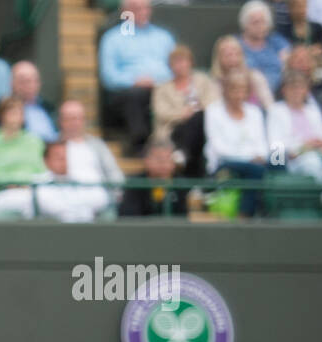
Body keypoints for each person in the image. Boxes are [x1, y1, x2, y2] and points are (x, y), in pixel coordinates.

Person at [98, 0, 175, 153]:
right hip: (128, 92)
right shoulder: (112, 39)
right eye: (136, 8)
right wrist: (134, 81)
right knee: (135, 95)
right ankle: (140, 145)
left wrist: (159, 81)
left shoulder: (164, 37)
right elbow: (108, 76)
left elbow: (176, 67)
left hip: (163, 87)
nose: (142, 12)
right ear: (124, 12)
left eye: (145, 8)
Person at [204, 71, 270, 216]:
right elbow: (219, 148)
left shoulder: (255, 112)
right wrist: (250, 158)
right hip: (224, 163)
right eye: (234, 89)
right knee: (257, 171)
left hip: (254, 162)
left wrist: (259, 156)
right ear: (225, 90)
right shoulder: (213, 111)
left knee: (279, 163)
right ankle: (246, 215)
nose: (239, 94)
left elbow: (262, 144)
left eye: (243, 89)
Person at [152, 45, 218, 178]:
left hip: (202, 129)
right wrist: (182, 113)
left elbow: (213, 103)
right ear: (170, 65)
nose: (180, 65)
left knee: (198, 118)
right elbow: (161, 112)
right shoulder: (162, 88)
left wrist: (195, 110)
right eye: (176, 62)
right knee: (193, 121)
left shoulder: (204, 81)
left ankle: (182, 154)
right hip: (173, 130)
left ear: (190, 62)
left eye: (183, 61)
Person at [267, 69, 322, 207]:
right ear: (284, 90)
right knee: (312, 162)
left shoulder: (312, 111)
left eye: (300, 87)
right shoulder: (276, 111)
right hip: (293, 159)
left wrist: (321, 143)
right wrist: (302, 147)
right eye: (292, 87)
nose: (296, 91)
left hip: (320, 154)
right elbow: (275, 145)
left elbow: (321, 138)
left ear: (306, 90)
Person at [118, 138, 188, 217]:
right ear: (147, 160)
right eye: (159, 159)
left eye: (168, 159)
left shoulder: (180, 184)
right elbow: (128, 216)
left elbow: (183, 219)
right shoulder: (135, 183)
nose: (164, 164)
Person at [239, 0, 291, 97]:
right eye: (255, 22)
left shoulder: (276, 41)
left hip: (280, 90)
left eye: (263, 22)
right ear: (245, 24)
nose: (259, 26)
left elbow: (288, 60)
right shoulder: (237, 44)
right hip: (250, 93)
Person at [11, 59, 57, 142]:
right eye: (24, 81)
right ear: (12, 83)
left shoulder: (49, 107)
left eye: (35, 80)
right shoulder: (5, 110)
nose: (31, 85)